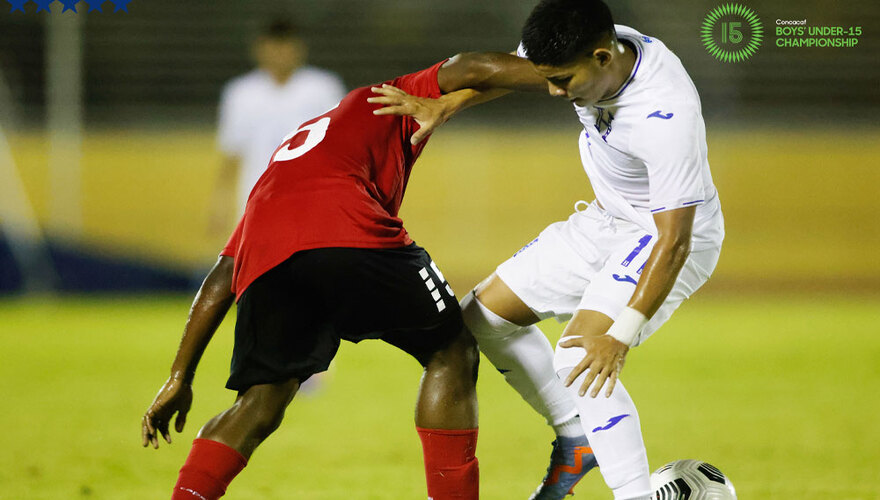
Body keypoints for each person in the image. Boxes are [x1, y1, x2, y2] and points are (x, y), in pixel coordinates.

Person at [141, 52, 549, 500]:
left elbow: (222, 275)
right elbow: (473, 69)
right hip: (352, 234)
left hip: (270, 260)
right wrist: (560, 76)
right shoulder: (378, 100)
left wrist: (179, 377)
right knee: (450, 350)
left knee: (261, 400)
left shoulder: (283, 163)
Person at [371, 1, 725, 499]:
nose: (554, 92)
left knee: (582, 356)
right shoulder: (578, 51)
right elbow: (511, 75)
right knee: (476, 321)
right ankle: (577, 437)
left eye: (562, 80)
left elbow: (675, 240)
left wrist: (620, 336)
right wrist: (446, 106)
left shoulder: (665, 115)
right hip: (607, 219)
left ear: (603, 57)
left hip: (662, 234)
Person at [210, 17, 346, 230]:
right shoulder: (240, 93)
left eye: (286, 45)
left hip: (312, 204)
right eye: (275, 46)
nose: (281, 53)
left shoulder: (323, 88)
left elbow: (342, 149)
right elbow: (232, 153)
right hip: (258, 205)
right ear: (260, 49)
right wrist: (220, 204)